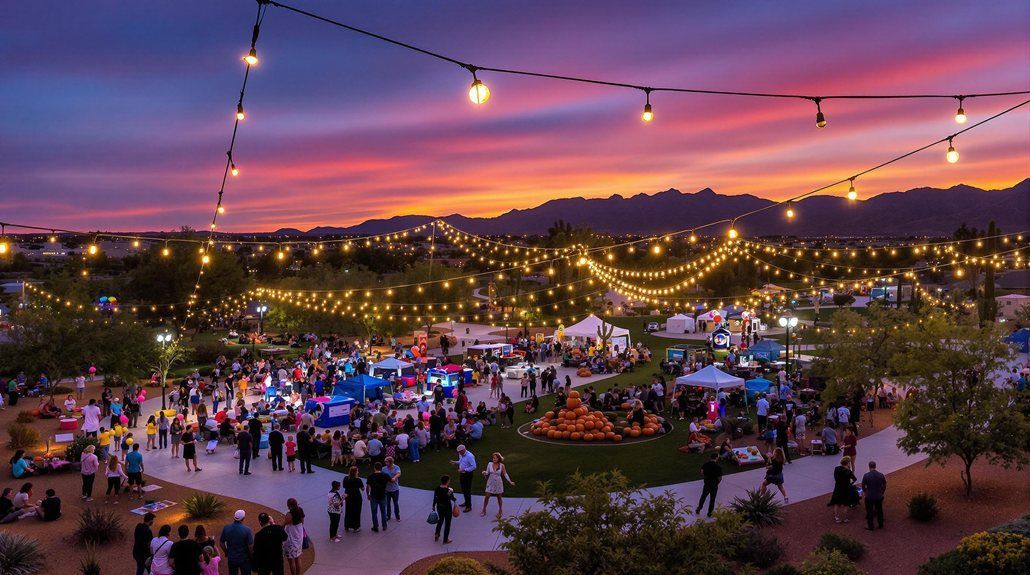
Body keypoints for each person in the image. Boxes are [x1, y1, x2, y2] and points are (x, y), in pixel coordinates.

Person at [481, 452, 515, 518]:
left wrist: (510, 481)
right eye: (493, 458)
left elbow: (505, 474)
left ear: (498, 459)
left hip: (498, 483)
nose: (494, 459)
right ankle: (484, 509)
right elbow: (487, 472)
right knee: (487, 496)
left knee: (499, 497)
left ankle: (500, 510)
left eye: (496, 458)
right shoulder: (489, 464)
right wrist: (484, 472)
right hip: (490, 482)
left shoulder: (502, 465)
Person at [219, 509, 254, 575]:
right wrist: (251, 555)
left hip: (232, 558)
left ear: (234, 517)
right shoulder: (247, 530)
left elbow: (221, 543)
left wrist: (226, 552)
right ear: (243, 518)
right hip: (244, 559)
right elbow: (250, 546)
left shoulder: (226, 528)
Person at [828, 456, 858, 523]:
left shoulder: (836, 469)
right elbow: (854, 479)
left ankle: (837, 517)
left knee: (836, 503)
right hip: (846, 489)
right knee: (846, 504)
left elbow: (835, 478)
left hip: (838, 488)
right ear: (847, 463)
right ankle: (844, 518)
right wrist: (850, 483)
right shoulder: (848, 471)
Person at [695, 452, 723, 518]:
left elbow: (702, 472)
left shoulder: (705, 464)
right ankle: (710, 513)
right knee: (712, 499)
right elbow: (720, 478)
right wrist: (717, 483)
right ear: (716, 458)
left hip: (707, 483)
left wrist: (706, 477)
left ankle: (699, 508)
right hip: (714, 484)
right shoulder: (718, 467)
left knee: (703, 496)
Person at [861, 460, 887, 530]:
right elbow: (884, 484)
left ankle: (871, 526)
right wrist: (882, 492)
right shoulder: (881, 475)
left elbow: (863, 485)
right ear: (875, 466)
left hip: (869, 496)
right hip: (878, 495)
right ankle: (880, 524)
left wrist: (866, 492)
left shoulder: (866, 475)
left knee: (869, 511)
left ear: (869, 467)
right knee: (879, 510)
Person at [283, 499, 305, 575]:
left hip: (291, 538)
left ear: (289, 505)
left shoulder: (289, 514)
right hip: (299, 536)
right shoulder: (300, 510)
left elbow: (285, 524)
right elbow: (302, 521)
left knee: (291, 560)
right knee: (297, 557)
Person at [451, 444, 476, 512]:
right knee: (463, 489)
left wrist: (464, 470)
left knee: (467, 490)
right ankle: (466, 502)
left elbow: (474, 466)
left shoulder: (470, 456)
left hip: (468, 475)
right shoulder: (461, 454)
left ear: (463, 450)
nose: (459, 453)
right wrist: (455, 462)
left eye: (459, 452)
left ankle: (469, 506)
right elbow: (461, 461)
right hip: (462, 474)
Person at [433, 474, 457, 544]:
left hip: (439, 507)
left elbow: (435, 498)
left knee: (440, 520)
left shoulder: (437, 488)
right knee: (447, 523)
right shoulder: (449, 490)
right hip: (447, 508)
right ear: (447, 481)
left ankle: (437, 533)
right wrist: (454, 497)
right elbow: (452, 498)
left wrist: (433, 506)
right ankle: (445, 539)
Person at [366, 461, 389, 532]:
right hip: (382, 495)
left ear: (374, 468)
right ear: (381, 468)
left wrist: (368, 495)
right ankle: (384, 526)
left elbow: (368, 487)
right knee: (383, 512)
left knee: (374, 512)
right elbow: (391, 480)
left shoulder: (371, 476)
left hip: (374, 496)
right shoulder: (385, 475)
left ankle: (375, 527)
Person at [342, 466, 363, 532]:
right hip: (356, 497)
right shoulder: (358, 480)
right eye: (357, 471)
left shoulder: (346, 478)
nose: (358, 472)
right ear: (355, 472)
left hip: (348, 496)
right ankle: (355, 527)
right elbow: (362, 488)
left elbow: (344, 486)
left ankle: (347, 526)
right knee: (356, 512)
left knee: (348, 511)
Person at [381, 456, 402, 522]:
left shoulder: (396, 467)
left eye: (386, 462)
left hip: (395, 489)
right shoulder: (384, 468)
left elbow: (399, 473)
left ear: (390, 462)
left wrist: (394, 478)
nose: (385, 463)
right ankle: (388, 516)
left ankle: (397, 516)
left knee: (395, 503)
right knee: (387, 503)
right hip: (387, 489)